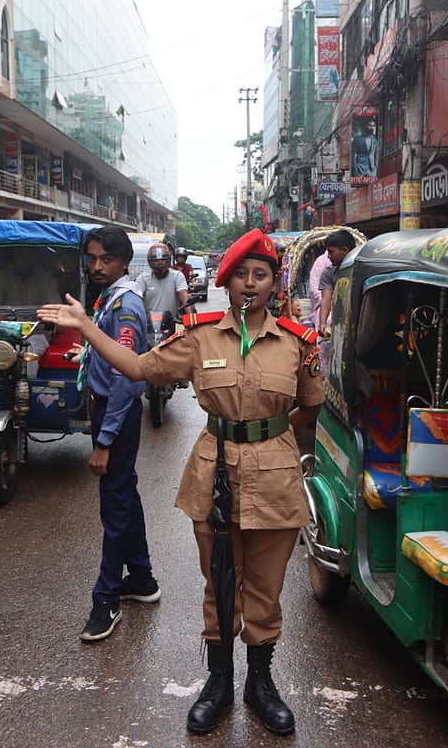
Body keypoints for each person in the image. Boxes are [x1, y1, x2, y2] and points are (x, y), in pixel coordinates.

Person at [38, 228, 324, 736]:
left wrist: (269, 434)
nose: (250, 284)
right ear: (228, 282)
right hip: (214, 476)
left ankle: (261, 684)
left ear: (273, 283)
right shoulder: (199, 334)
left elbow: (312, 404)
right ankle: (218, 682)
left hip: (276, 479)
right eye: (242, 275)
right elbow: (136, 365)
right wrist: (85, 327)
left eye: (261, 275)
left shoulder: (297, 343)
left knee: (266, 587)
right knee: (218, 582)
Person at [72, 226, 158, 642]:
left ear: (124, 262)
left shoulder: (126, 305)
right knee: (125, 494)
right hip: (109, 410)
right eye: (91, 259)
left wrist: (104, 441)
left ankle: (105, 599)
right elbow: (109, 354)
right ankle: (141, 579)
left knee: (115, 507)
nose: (96, 266)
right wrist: (87, 354)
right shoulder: (109, 298)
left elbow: (127, 376)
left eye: (105, 259)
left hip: (116, 415)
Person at [136, 242, 191, 328]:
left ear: (168, 260)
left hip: (171, 323)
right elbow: (136, 299)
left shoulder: (177, 276)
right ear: (151, 261)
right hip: (147, 325)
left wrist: (191, 322)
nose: (159, 262)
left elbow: (184, 298)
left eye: (162, 260)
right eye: (156, 260)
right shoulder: (143, 278)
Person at [317, 230, 357, 338]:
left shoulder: (359, 269)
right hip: (339, 323)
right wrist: (322, 324)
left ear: (344, 250)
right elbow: (326, 299)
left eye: (331, 252)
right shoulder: (329, 272)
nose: (328, 256)